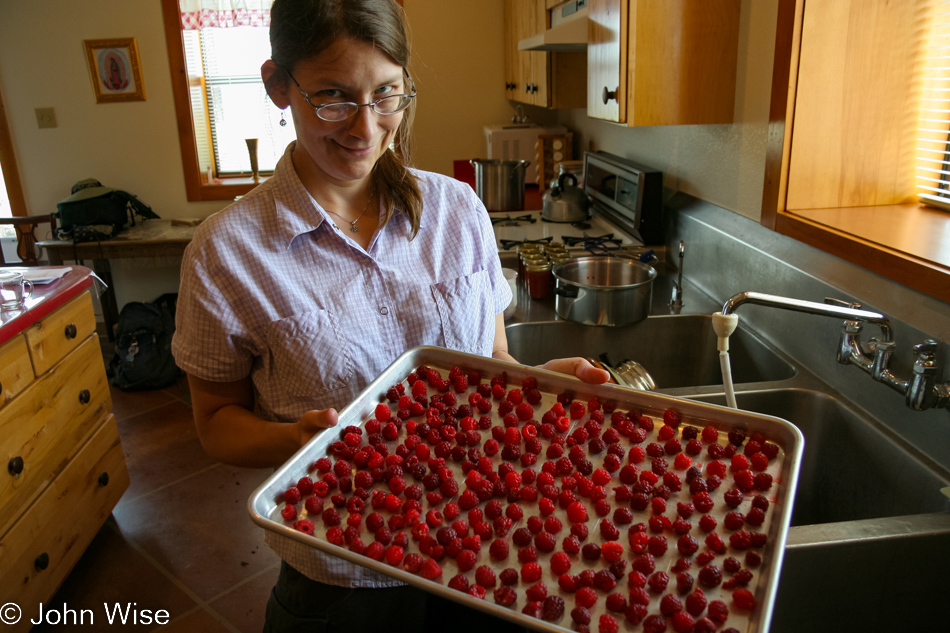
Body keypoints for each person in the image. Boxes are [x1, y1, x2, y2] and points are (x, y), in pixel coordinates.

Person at [171, 1, 609, 631]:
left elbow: (494, 363)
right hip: (343, 574)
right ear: (277, 86)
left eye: (386, 95)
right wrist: (294, 440)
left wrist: (542, 385)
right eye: (332, 97)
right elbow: (215, 421)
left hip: (479, 549)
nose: (365, 127)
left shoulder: (458, 211)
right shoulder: (227, 253)